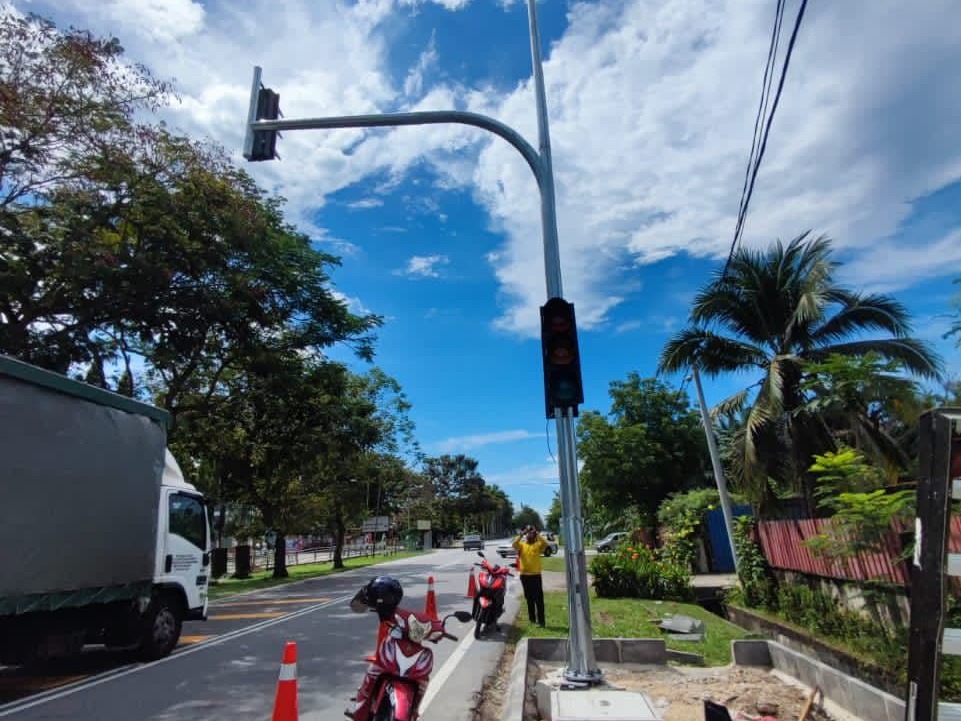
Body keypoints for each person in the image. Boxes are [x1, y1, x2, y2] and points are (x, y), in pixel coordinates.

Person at [512, 525, 547, 627]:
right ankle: (532, 620)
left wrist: (537, 533)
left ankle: (542, 621)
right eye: (528, 533)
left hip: (536, 576)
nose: (529, 534)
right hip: (525, 576)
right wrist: (522, 533)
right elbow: (514, 544)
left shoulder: (537, 545)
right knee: (529, 598)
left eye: (531, 533)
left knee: (538, 599)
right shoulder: (522, 545)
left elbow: (545, 543)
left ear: (534, 535)